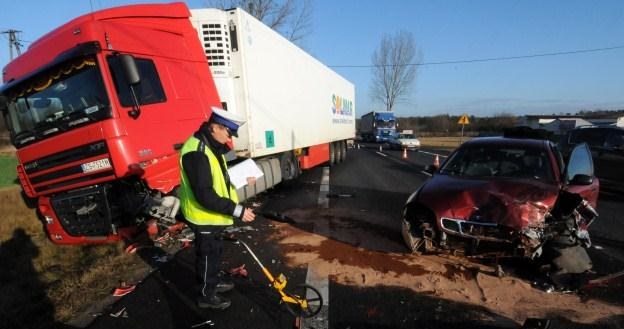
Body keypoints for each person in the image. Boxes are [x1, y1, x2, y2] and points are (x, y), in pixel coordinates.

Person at [179, 107, 256, 310]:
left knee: (215, 251)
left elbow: (219, 177)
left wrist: (240, 179)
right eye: (229, 133)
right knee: (207, 255)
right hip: (204, 215)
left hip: (214, 215)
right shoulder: (196, 152)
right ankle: (206, 294)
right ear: (215, 127)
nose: (230, 139)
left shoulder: (211, 145)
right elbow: (204, 194)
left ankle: (213, 281)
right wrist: (237, 210)